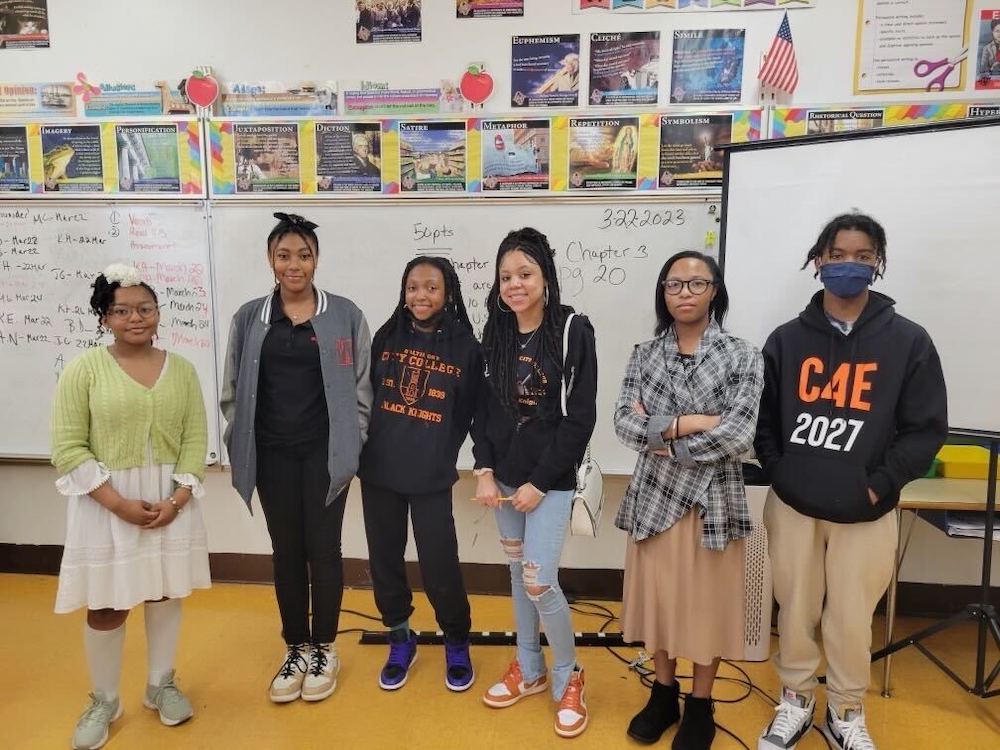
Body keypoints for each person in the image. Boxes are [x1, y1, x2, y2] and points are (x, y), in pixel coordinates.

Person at [755, 213, 947, 750]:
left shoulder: (909, 341)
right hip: (794, 502)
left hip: (867, 506)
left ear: (878, 265)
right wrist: (781, 470)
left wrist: (879, 484)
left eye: (864, 257)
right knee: (795, 606)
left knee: (850, 615)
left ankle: (845, 710)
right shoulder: (786, 340)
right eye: (839, 254)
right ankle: (795, 698)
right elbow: (762, 421)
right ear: (818, 261)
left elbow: (924, 429)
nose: (850, 265)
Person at [52, 263, 209, 749]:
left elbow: (195, 438)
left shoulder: (181, 370)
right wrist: (117, 503)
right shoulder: (84, 369)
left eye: (145, 308)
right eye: (122, 310)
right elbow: (68, 447)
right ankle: (104, 700)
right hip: (106, 503)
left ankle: (160, 685)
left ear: (158, 313)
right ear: (105, 318)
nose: (136, 318)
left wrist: (178, 498)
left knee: (163, 593)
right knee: (106, 606)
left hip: (167, 500)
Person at [221, 212, 373, 704]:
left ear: (316, 260)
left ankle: (325, 647)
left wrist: (353, 443)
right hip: (271, 454)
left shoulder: (344, 315)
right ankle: (296, 647)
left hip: (325, 455)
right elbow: (233, 391)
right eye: (283, 255)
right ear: (270, 259)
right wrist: (239, 439)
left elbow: (362, 390)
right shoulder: (250, 317)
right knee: (286, 550)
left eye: (303, 255)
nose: (294, 264)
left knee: (324, 549)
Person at [614, 251, 763, 750]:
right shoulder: (643, 353)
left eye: (696, 284)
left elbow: (739, 434)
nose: (685, 293)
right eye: (675, 284)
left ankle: (700, 703)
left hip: (713, 501)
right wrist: (695, 422)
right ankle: (663, 693)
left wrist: (662, 431)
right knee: (658, 603)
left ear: (715, 291)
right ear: (663, 292)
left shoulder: (744, 354)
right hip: (653, 499)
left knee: (704, 607)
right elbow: (624, 425)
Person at [473, 227, 598, 739]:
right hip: (503, 480)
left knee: (539, 579)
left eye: (525, 274)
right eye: (506, 276)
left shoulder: (572, 329)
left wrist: (541, 483)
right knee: (516, 574)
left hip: (550, 482)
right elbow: (482, 409)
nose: (514, 284)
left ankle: (570, 677)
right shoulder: (496, 332)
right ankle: (528, 668)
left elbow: (580, 419)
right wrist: (483, 468)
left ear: (545, 277)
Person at [359, 256, 482, 692]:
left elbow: (472, 413)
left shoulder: (466, 346)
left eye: (431, 287)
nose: (421, 296)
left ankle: (456, 640)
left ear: (447, 293)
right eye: (413, 287)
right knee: (385, 560)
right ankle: (400, 637)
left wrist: (447, 453)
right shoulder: (386, 336)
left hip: (431, 476)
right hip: (379, 473)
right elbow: (365, 397)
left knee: (439, 563)